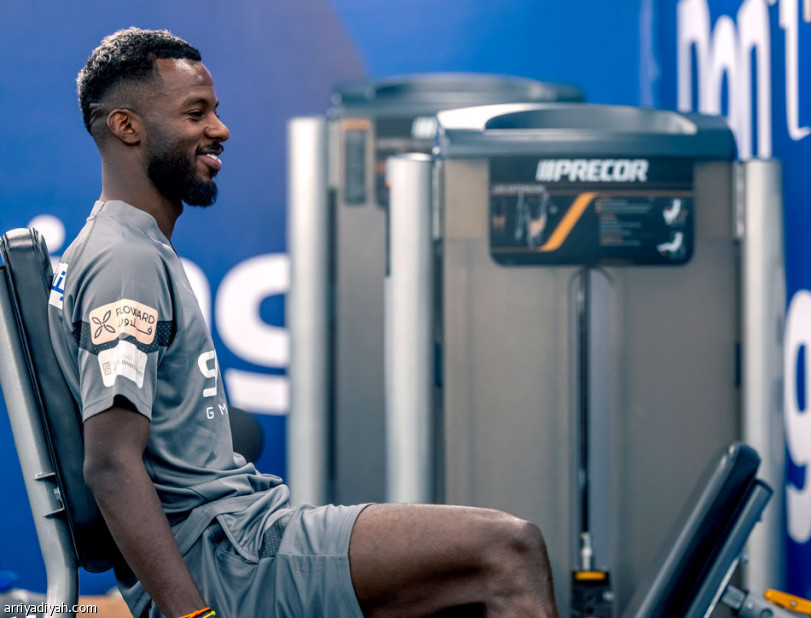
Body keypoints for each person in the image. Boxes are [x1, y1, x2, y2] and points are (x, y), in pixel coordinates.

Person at [49, 28, 558, 618]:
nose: (220, 129)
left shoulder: (127, 247)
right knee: (509, 550)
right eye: (195, 113)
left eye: (215, 110)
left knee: (456, 590)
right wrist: (192, 615)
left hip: (238, 531)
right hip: (226, 557)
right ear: (126, 126)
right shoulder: (126, 262)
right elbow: (110, 465)